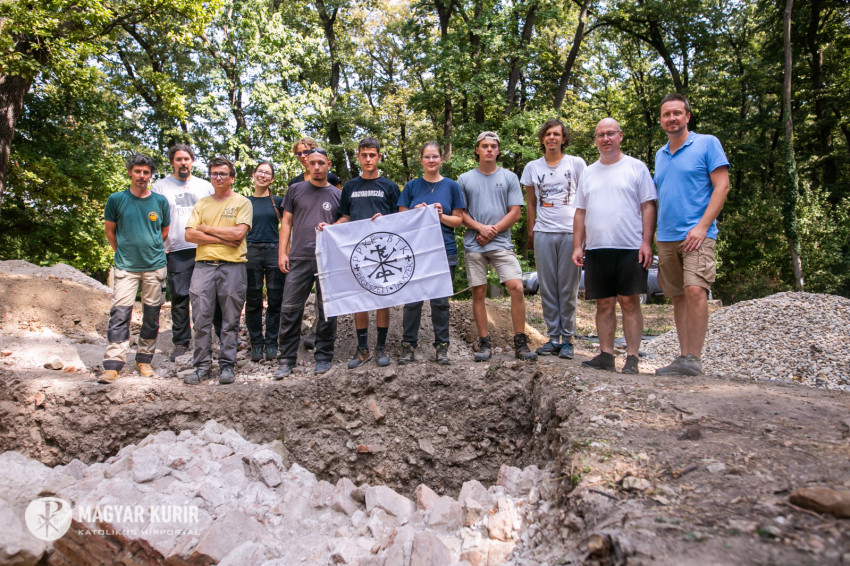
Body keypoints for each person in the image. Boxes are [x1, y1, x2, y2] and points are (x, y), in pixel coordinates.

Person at [572, 118, 657, 374]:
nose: (606, 138)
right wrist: (578, 245)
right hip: (597, 248)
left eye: (610, 133)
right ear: (595, 140)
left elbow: (648, 205)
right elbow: (580, 212)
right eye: (600, 135)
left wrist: (646, 242)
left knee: (630, 301)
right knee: (604, 303)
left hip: (630, 246)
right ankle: (606, 355)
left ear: (620, 136)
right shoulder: (588, 172)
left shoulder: (636, 167)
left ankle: (632, 358)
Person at [654, 93, 730, 376]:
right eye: (666, 114)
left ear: (687, 116)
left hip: (698, 234)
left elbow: (722, 187)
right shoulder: (660, 155)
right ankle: (683, 358)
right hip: (666, 237)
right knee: (677, 296)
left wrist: (701, 227)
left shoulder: (707, 144)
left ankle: (693, 359)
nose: (671, 118)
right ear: (661, 120)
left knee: (696, 290)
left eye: (676, 113)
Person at [323, 138, 400, 369]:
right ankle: (363, 349)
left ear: (378, 157)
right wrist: (331, 227)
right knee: (359, 301)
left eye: (372, 155)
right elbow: (345, 216)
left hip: (383, 253)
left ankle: (381, 348)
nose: (368, 159)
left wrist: (385, 220)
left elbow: (400, 220)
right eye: (364, 155)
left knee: (382, 299)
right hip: (356, 253)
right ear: (358, 157)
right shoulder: (349, 187)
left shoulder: (390, 187)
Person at [460, 131, 537, 362]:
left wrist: (490, 230)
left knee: (516, 287)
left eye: (493, 146)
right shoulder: (464, 179)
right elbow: (460, 213)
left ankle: (520, 341)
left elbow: (515, 213)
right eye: (484, 146)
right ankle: (484, 343)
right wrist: (480, 229)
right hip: (474, 244)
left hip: (501, 243)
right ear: (477, 150)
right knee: (479, 293)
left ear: (498, 150)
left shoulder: (510, 177)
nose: (489, 150)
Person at [99, 154, 170, 384]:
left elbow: (165, 231)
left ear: (151, 175)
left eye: (146, 172)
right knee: (120, 314)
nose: (142, 176)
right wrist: (123, 253)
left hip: (155, 266)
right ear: (130, 172)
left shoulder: (159, 201)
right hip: (126, 267)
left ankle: (144, 359)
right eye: (137, 171)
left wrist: (151, 248)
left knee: (151, 316)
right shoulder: (117, 199)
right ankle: (113, 364)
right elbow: (110, 231)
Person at [182, 157, 252, 385]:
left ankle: (227, 366)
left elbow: (237, 235)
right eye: (214, 174)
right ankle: (201, 367)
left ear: (232, 178)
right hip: (203, 267)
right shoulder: (202, 203)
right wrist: (222, 235)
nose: (218, 177)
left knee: (230, 320)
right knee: (201, 319)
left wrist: (207, 229)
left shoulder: (242, 202)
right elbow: (190, 235)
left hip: (233, 267)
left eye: (222, 174)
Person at [521, 118, 586, 360]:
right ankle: (553, 338)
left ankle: (568, 339)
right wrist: (531, 231)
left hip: (570, 232)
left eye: (556, 134)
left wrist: (583, 235)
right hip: (543, 232)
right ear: (542, 139)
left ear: (564, 138)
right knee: (548, 287)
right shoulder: (532, 167)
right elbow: (530, 202)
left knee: (567, 288)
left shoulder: (576, 163)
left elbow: (585, 198)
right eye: (548, 134)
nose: (552, 138)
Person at [397, 141, 466, 365]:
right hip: (416, 251)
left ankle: (442, 347)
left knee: (440, 302)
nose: (431, 160)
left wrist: (440, 215)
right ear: (421, 160)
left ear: (441, 159)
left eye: (435, 156)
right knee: (412, 301)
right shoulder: (411, 187)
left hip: (444, 250)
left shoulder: (452, 186)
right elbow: (401, 220)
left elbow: (458, 220)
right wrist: (416, 214)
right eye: (427, 157)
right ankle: (408, 346)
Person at [275, 148, 341, 378]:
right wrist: (283, 252)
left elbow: (345, 223)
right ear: (307, 165)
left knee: (327, 309)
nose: (316, 167)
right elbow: (286, 223)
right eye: (312, 163)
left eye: (320, 163)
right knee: (290, 308)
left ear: (328, 164)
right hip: (299, 256)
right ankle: (286, 359)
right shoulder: (295, 190)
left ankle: (323, 356)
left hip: (327, 259)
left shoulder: (337, 194)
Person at [151, 144, 219, 362]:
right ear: (172, 162)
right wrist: (159, 246)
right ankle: (181, 342)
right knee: (180, 297)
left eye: (186, 159)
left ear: (192, 161)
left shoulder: (204, 186)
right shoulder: (160, 187)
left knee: (212, 295)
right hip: (176, 248)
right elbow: (155, 219)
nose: (183, 163)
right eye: (178, 159)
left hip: (205, 247)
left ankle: (215, 339)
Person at [245, 162, 285, 362]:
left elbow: (288, 225)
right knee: (253, 300)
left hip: (274, 250)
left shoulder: (278, 201)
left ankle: (271, 342)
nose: (263, 175)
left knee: (275, 299)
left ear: (272, 179)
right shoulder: (244, 202)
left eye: (267, 173)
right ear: (253, 175)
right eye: (260, 171)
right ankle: (256, 342)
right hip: (250, 251)